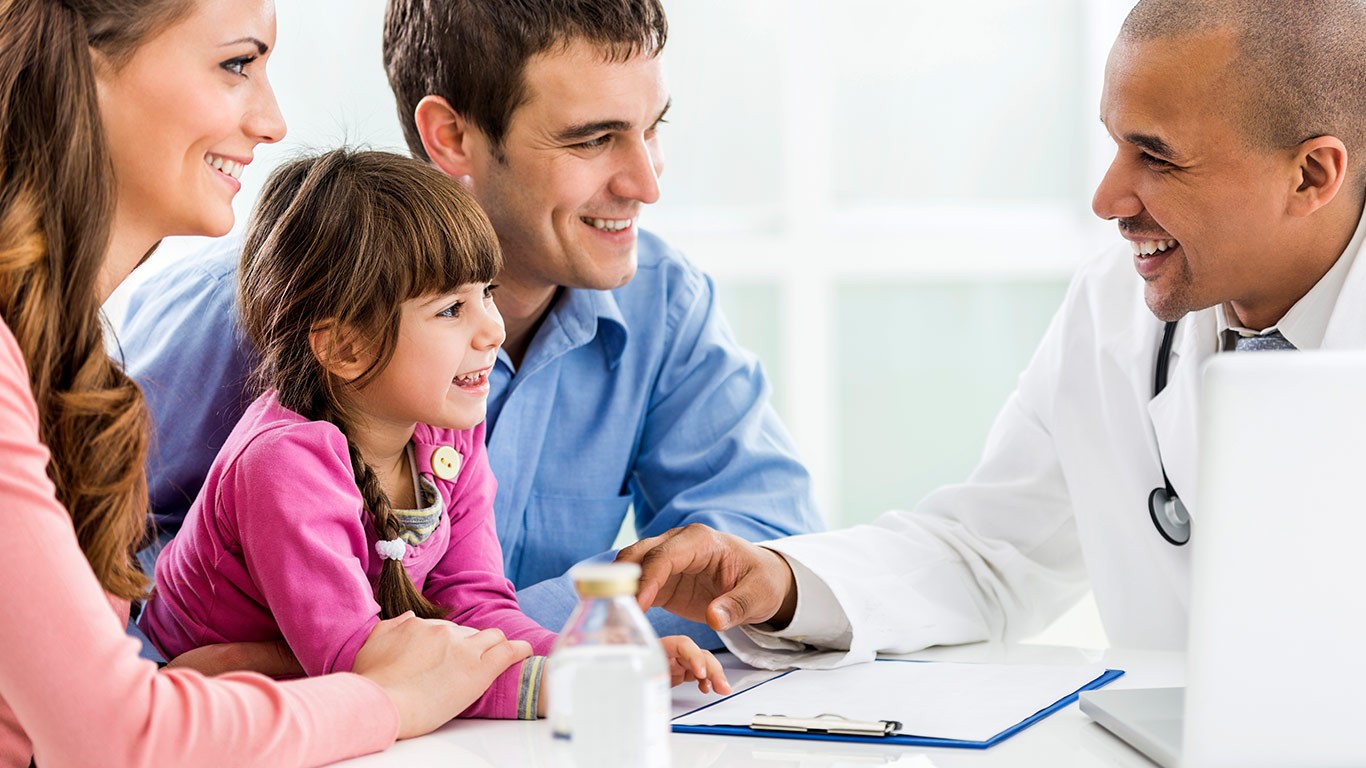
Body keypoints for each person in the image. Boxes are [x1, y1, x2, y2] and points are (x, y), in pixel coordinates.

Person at [618, 0, 1366, 668]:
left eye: (1157, 156)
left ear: (1311, 175)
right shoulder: (1115, 310)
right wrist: (781, 583)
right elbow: (990, 553)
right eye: (1113, 144)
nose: (1107, 199)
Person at [118, 0, 822, 647]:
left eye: (651, 128)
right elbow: (74, 575)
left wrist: (495, 638)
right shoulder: (259, 302)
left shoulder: (661, 305)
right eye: (593, 140)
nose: (648, 183)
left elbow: (765, 548)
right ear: (451, 136)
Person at [0, 1, 536, 765]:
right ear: (84, 75)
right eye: (236, 64)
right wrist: (386, 696)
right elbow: (116, 734)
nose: (275, 121)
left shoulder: (61, 362)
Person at [140, 148, 729, 718]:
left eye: (487, 294)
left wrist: (602, 660)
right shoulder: (283, 465)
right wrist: (554, 688)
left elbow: (475, 603)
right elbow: (369, 673)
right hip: (202, 718)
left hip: (298, 681)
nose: (492, 330)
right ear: (344, 345)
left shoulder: (448, 440)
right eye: (451, 310)